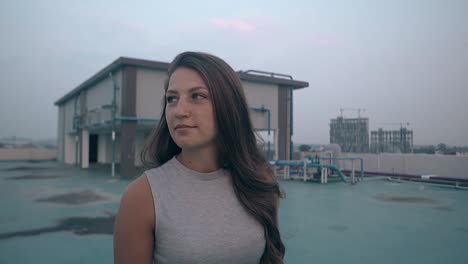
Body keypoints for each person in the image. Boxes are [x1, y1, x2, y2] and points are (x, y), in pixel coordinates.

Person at [113, 51, 285, 264]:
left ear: (229, 105)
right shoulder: (142, 197)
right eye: (171, 99)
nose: (179, 110)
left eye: (197, 96)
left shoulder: (260, 180)